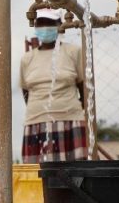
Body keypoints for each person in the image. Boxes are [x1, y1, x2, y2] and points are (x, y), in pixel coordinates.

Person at [20, 9, 86, 163]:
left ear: (59, 26)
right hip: (35, 123)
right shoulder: (27, 59)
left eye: (49, 23)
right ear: (36, 27)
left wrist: (70, 108)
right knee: (39, 177)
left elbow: (83, 87)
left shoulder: (73, 52)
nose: (45, 27)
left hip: (70, 121)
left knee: (74, 175)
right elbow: (26, 91)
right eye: (41, 24)